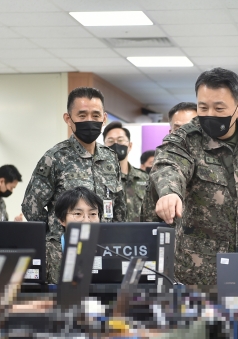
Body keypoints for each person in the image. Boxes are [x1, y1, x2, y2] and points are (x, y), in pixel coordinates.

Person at [150, 67, 238, 286]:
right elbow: (168, 165)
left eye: (219, 108)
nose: (209, 114)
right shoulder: (186, 139)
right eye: (203, 107)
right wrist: (170, 193)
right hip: (201, 270)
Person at [22, 87, 126, 253]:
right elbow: (31, 207)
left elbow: (119, 207)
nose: (90, 121)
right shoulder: (54, 158)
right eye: (82, 115)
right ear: (68, 119)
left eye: (96, 115)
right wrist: (55, 235)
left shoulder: (110, 158)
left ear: (104, 118)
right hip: (65, 251)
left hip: (103, 248)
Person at [46, 186, 103, 284]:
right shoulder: (48, 250)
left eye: (93, 214)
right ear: (62, 220)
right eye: (77, 214)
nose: (86, 221)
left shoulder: (108, 249)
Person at [103, 121, 148, 222]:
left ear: (130, 145)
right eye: (110, 141)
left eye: (120, 140)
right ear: (103, 147)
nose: (115, 144)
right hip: (109, 235)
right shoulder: (99, 178)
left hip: (139, 235)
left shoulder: (144, 178)